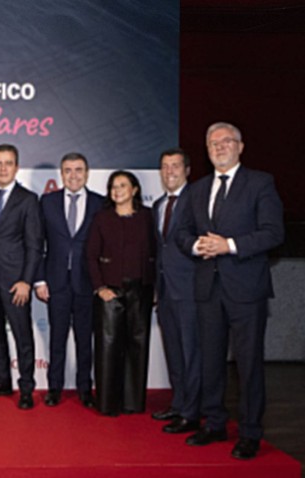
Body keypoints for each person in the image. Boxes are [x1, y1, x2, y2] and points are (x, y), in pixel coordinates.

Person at [177, 122, 284, 460]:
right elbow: (181, 232)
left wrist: (230, 245)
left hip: (246, 290)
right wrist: (198, 246)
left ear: (240, 146)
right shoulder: (197, 189)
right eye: (213, 143)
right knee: (211, 361)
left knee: (248, 365)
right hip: (208, 288)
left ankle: (250, 432)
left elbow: (273, 232)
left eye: (226, 141)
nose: (219, 147)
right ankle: (215, 423)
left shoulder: (260, 183)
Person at [0, 144, 42, 410]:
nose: (3, 168)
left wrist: (26, 280)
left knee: (22, 336)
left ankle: (26, 387)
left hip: (16, 281)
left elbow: (35, 245)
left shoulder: (28, 199)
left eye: (8, 163)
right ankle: (2, 381)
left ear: (16, 167)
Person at [35, 153, 103, 408]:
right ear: (61, 174)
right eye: (68, 170)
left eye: (78, 170)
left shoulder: (100, 203)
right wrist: (39, 279)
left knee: (85, 340)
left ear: (87, 173)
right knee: (57, 338)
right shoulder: (48, 202)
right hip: (56, 282)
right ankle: (55, 388)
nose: (73, 175)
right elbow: (38, 243)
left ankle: (85, 388)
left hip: (86, 283)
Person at [86, 170, 156, 417]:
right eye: (113, 186)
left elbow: (157, 253)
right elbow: (91, 255)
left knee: (138, 344)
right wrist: (100, 287)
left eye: (122, 185)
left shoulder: (148, 217)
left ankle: (133, 402)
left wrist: (155, 286)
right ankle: (107, 403)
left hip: (141, 290)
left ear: (134, 190)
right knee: (108, 347)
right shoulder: (102, 218)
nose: (117, 191)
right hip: (110, 291)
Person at [151, 148, 201, 433]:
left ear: (187, 170)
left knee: (191, 352)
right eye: (165, 166)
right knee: (174, 351)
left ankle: (192, 411)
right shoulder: (159, 205)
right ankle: (179, 403)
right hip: (166, 291)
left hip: (190, 290)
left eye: (175, 166)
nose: (169, 171)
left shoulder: (197, 201)